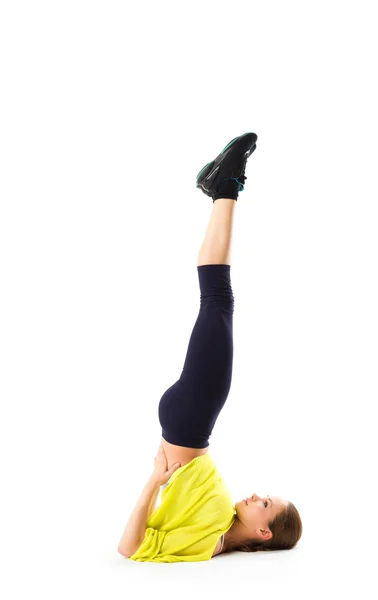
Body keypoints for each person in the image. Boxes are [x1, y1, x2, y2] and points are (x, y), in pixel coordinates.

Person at [118, 132, 303, 562]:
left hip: (192, 418)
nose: (258, 494)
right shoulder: (218, 528)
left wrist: (154, 481)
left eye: (265, 503)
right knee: (217, 300)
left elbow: (129, 549)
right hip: (192, 421)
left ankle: (226, 185)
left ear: (262, 531)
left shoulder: (209, 542)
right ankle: (221, 186)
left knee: (218, 299)